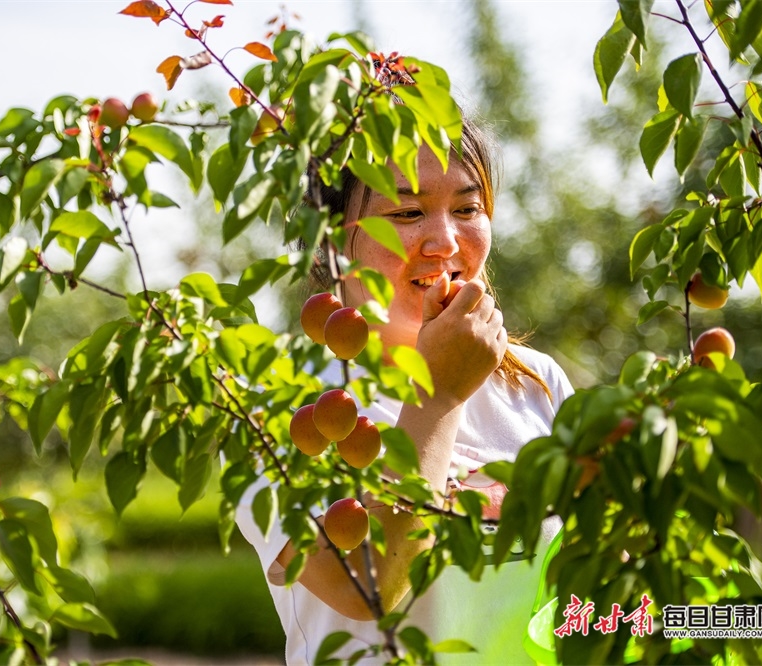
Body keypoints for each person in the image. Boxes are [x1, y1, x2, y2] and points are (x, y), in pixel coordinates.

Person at [235, 114, 574, 664]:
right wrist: (437, 397)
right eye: (408, 212)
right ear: (332, 241)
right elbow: (366, 589)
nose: (444, 242)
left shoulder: (537, 385)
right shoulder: (287, 407)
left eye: (467, 209)